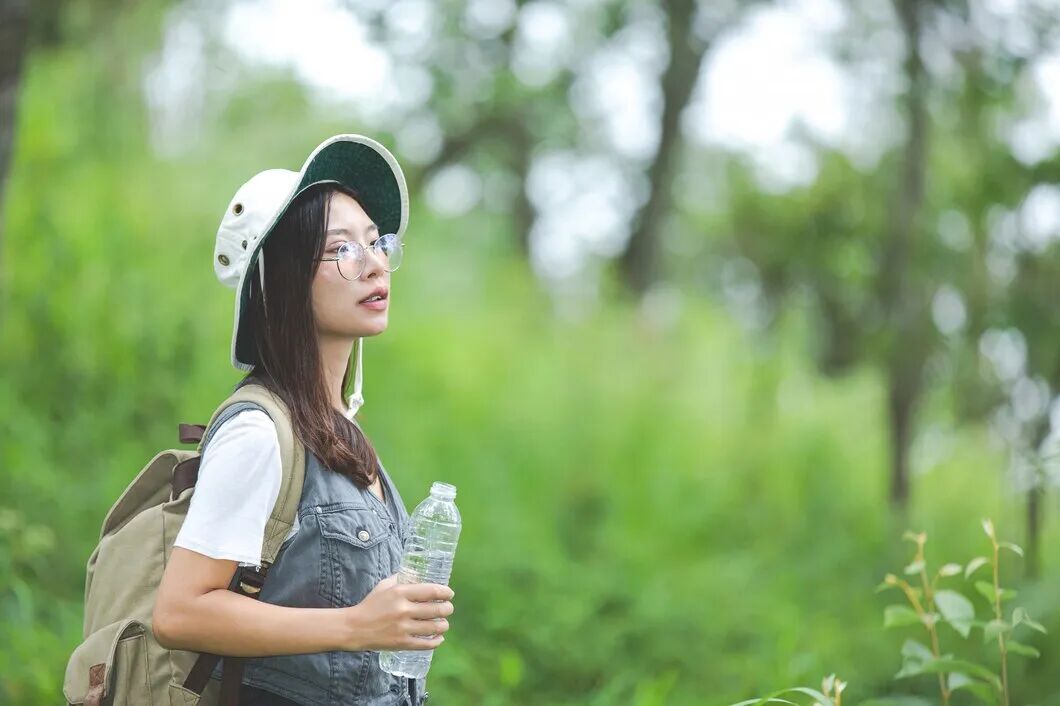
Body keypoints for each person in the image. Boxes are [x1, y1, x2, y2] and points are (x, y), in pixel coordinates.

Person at [152, 134, 451, 706]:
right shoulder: (259, 432)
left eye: (376, 242)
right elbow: (181, 611)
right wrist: (357, 625)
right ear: (282, 279)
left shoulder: (341, 427)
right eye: (342, 249)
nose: (374, 264)